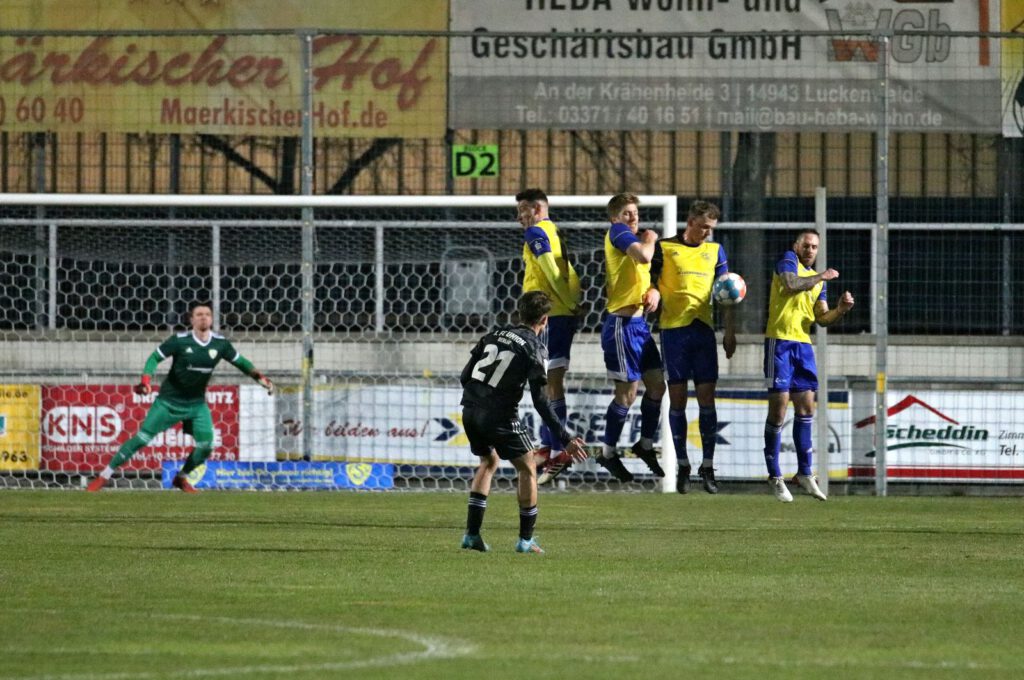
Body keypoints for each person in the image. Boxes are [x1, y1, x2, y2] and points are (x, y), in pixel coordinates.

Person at [87, 301, 274, 493]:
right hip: (168, 402)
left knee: (206, 446)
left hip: (196, 405)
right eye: (199, 314)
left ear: (211, 319)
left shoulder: (220, 344)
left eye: (207, 314)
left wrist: (261, 379)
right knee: (142, 439)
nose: (203, 317)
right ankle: (103, 477)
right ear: (191, 319)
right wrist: (146, 381)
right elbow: (154, 358)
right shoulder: (179, 340)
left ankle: (181, 478)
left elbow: (242, 363)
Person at [459, 291, 587, 554]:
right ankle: (526, 540)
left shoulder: (492, 335)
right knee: (528, 467)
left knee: (489, 461)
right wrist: (565, 439)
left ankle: (472, 536)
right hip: (499, 415)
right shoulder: (535, 347)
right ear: (545, 319)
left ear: (519, 313)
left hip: (470, 410)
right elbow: (541, 402)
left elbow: (464, 376)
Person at [763, 229, 854, 502]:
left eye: (814, 246)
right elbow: (791, 285)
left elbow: (822, 318)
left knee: (806, 408)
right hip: (779, 343)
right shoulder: (788, 261)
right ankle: (775, 476)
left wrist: (840, 310)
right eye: (806, 245)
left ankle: (804, 473)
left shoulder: (818, 283)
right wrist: (822, 276)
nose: (810, 250)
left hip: (803, 346)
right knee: (778, 411)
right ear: (797, 246)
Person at [653, 200, 735, 494]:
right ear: (690, 222)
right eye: (703, 227)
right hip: (673, 332)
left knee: (707, 400)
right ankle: (683, 465)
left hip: (703, 332)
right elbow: (649, 282)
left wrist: (730, 331)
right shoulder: (664, 248)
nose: (707, 233)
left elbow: (726, 291)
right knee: (677, 401)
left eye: (711, 229)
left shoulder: (715, 251)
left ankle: (708, 466)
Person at [596, 192, 666, 482]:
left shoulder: (630, 237)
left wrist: (654, 291)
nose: (633, 217)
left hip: (639, 326)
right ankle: (608, 452)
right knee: (627, 393)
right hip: (621, 327)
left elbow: (644, 273)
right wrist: (651, 237)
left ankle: (645, 445)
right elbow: (644, 255)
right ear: (615, 217)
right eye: (627, 213)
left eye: (635, 213)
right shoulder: (618, 232)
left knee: (657, 387)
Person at [515, 189, 582, 486]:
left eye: (522, 211)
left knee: (549, 383)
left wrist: (566, 302)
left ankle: (558, 451)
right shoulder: (554, 232)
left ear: (536, 209)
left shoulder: (537, 232)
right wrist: (573, 300)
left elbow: (552, 271)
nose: (519, 217)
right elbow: (570, 272)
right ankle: (549, 444)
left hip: (551, 315)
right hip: (554, 314)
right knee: (546, 382)